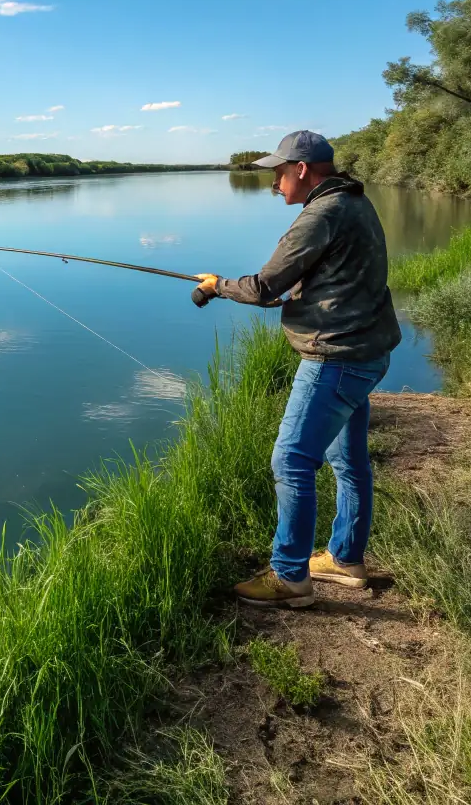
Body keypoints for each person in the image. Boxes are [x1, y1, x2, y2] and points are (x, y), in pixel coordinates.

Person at [194, 130, 401, 608]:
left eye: (279, 173)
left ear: (302, 170)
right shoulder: (354, 202)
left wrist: (217, 285)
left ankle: (290, 578)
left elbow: (264, 285)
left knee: (290, 460)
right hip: (367, 351)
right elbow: (342, 276)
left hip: (336, 358)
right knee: (348, 462)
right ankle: (346, 560)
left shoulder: (321, 213)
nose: (275, 183)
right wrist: (300, 298)